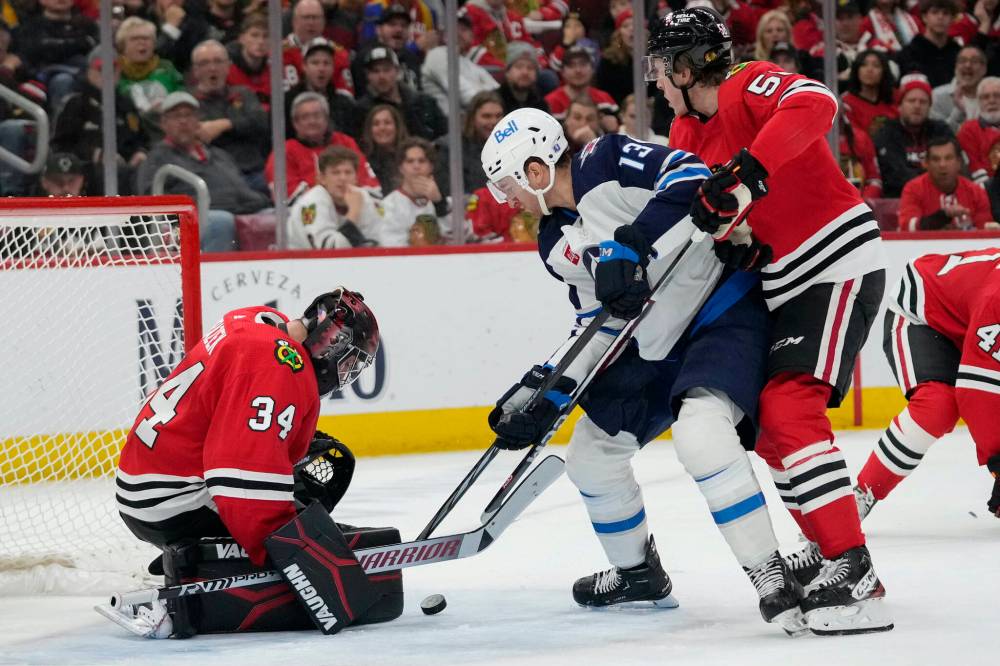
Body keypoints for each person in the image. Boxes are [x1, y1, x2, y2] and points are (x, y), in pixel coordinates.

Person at [480, 109, 804, 635]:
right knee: (591, 456)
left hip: (718, 308)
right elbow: (597, 321)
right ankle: (638, 575)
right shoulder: (553, 242)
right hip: (654, 343)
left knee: (701, 435)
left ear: (536, 170)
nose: (505, 199)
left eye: (506, 184)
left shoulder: (604, 158)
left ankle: (769, 573)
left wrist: (628, 244)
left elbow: (691, 177)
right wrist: (549, 390)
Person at [645, 7, 892, 634]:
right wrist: (723, 229)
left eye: (660, 66)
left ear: (686, 64)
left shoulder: (744, 82)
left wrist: (749, 169)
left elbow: (816, 103)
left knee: (788, 408)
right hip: (784, 279)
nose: (654, 79)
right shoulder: (683, 134)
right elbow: (730, 213)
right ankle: (833, 554)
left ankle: (851, 566)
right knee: (772, 429)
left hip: (835, 260)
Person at [107, 288, 380, 637]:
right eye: (349, 361)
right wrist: (298, 555)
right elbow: (236, 475)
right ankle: (200, 575)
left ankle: (199, 555)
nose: (345, 374)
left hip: (149, 481)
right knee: (300, 503)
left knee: (299, 482)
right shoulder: (280, 363)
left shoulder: (258, 321)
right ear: (332, 341)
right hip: (171, 500)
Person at [853, 247, 1000, 522]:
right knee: (938, 405)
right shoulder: (998, 299)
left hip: (969, 322)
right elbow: (977, 393)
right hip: (922, 313)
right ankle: (861, 494)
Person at [137, 91, 271, 252]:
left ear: (198, 121)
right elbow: (150, 199)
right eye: (176, 116)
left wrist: (263, 201)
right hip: (185, 223)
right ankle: (215, 276)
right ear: (164, 124)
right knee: (221, 222)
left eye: (189, 115)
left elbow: (241, 189)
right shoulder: (157, 158)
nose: (183, 121)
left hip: (237, 210)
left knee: (277, 215)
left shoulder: (219, 155)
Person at [51, 47, 149, 195]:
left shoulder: (125, 104)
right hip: (87, 171)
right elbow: (61, 145)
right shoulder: (75, 103)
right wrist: (96, 154)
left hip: (127, 169)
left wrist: (140, 152)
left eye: (113, 69)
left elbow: (142, 138)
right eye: (101, 69)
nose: (108, 75)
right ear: (90, 70)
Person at [189, 39, 269, 194]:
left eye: (218, 61)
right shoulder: (188, 102)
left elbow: (261, 123)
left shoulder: (243, 94)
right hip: (212, 177)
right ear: (195, 70)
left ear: (228, 67)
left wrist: (225, 124)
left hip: (251, 172)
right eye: (205, 63)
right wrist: (240, 128)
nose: (212, 68)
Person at [266, 92, 380, 200]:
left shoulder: (345, 142)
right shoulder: (283, 152)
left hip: (352, 207)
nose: (312, 121)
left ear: (326, 119)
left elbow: (369, 184)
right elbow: (287, 197)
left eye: (317, 115)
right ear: (295, 123)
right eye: (305, 117)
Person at [874, 73, 954, 197]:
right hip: (898, 201)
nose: (917, 106)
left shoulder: (941, 130)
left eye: (923, 102)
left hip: (940, 198)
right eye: (911, 101)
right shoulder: (886, 133)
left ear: (929, 107)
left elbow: (951, 167)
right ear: (900, 106)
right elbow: (896, 175)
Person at [288, 146, 383, 249]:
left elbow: (376, 241)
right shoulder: (312, 202)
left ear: (356, 178)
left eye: (348, 172)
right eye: (335, 173)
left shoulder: (362, 196)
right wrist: (353, 213)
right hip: (303, 262)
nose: (343, 178)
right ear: (322, 179)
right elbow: (330, 250)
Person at [13, 0, 97, 111]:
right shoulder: (31, 27)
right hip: (45, 78)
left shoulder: (88, 25)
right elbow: (40, 51)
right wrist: (80, 43)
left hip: (87, 74)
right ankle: (61, 125)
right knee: (63, 80)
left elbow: (97, 51)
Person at [897, 136, 995, 230]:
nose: (942, 165)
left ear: (959, 162)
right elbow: (907, 227)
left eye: (948, 158)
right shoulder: (913, 189)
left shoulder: (976, 192)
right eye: (936, 159)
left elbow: (983, 230)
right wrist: (942, 216)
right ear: (926, 164)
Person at [355, 46, 448, 141]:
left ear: (397, 71)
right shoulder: (361, 110)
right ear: (367, 75)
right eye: (375, 71)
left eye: (386, 70)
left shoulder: (423, 102)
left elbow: (446, 134)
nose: (381, 76)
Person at [116, 16, 184, 141]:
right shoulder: (114, 70)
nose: (142, 42)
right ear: (122, 45)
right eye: (135, 39)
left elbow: (182, 96)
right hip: (132, 135)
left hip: (168, 131)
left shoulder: (167, 68)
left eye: (146, 38)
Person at [420, 13, 498, 116]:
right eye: (453, 28)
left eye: (464, 29)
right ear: (443, 35)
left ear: (472, 37)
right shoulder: (437, 55)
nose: (458, 33)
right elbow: (464, 94)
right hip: (447, 126)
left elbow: (497, 92)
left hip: (472, 122)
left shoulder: (471, 65)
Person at [433, 90, 504, 198]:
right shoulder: (449, 148)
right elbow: (447, 193)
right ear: (472, 118)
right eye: (486, 116)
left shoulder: (511, 145)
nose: (494, 121)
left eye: (498, 116)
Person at [380, 137, 449, 247]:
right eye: (410, 161)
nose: (416, 166)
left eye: (422, 161)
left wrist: (439, 204)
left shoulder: (445, 202)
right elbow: (390, 245)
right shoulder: (388, 205)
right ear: (401, 168)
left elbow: (458, 238)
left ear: (431, 166)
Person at [285, 37, 358, 139]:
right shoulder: (287, 101)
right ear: (304, 66)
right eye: (315, 63)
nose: (321, 69)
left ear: (333, 68)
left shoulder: (344, 104)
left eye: (326, 63)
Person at [282, 0, 353, 97]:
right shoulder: (279, 52)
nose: (311, 23)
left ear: (324, 22)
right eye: (306, 17)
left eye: (315, 18)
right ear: (294, 21)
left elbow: (347, 96)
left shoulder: (339, 54)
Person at [544, 45, 619, 133]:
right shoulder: (550, 102)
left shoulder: (605, 100)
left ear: (592, 70)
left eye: (583, 64)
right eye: (571, 65)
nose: (578, 70)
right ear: (562, 72)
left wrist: (614, 130)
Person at [898, 0, 963, 88]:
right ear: (925, 17)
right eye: (935, 12)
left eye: (946, 13)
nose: (940, 17)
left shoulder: (959, 54)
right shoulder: (908, 54)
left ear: (952, 19)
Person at [841, 49, 898, 137]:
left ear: (884, 71)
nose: (869, 70)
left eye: (876, 65)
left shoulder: (896, 97)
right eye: (864, 65)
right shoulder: (846, 103)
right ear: (857, 70)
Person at [931, 46, 988, 132]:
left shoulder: (995, 95)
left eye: (974, 61)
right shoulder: (937, 96)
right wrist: (958, 110)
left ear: (984, 69)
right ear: (956, 66)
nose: (968, 65)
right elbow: (939, 135)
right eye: (962, 61)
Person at [957, 77, 1000, 184]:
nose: (992, 101)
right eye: (985, 97)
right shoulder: (968, 130)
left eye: (997, 96)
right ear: (978, 102)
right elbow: (974, 169)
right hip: (985, 192)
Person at [359, 103, 409, 194]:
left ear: (397, 127)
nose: (382, 128)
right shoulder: (364, 161)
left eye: (387, 123)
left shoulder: (410, 156)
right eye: (376, 124)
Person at [226, 13, 270, 108]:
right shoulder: (227, 71)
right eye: (254, 35)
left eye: (265, 36)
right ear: (242, 39)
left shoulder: (275, 68)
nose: (261, 41)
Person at [497, 41, 550, 114]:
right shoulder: (494, 102)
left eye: (530, 68)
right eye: (519, 67)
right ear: (507, 72)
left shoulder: (541, 105)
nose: (525, 72)